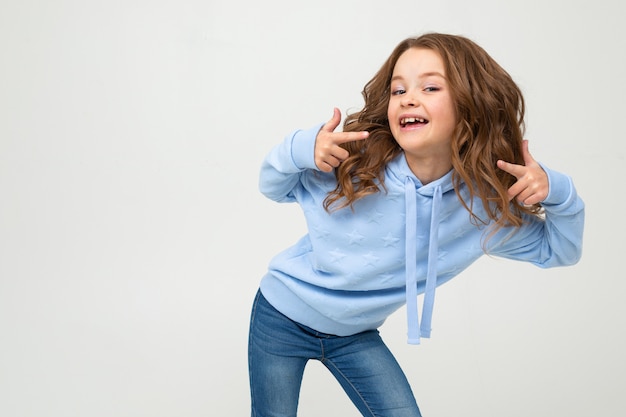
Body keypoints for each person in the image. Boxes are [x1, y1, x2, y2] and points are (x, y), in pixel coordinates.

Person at [248, 32, 584, 417]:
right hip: (279, 316)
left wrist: (558, 192)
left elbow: (560, 251)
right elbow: (272, 187)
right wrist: (302, 148)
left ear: (470, 105)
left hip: (353, 336)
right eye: (398, 90)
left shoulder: (481, 209)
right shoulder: (358, 165)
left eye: (430, 87)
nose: (408, 98)